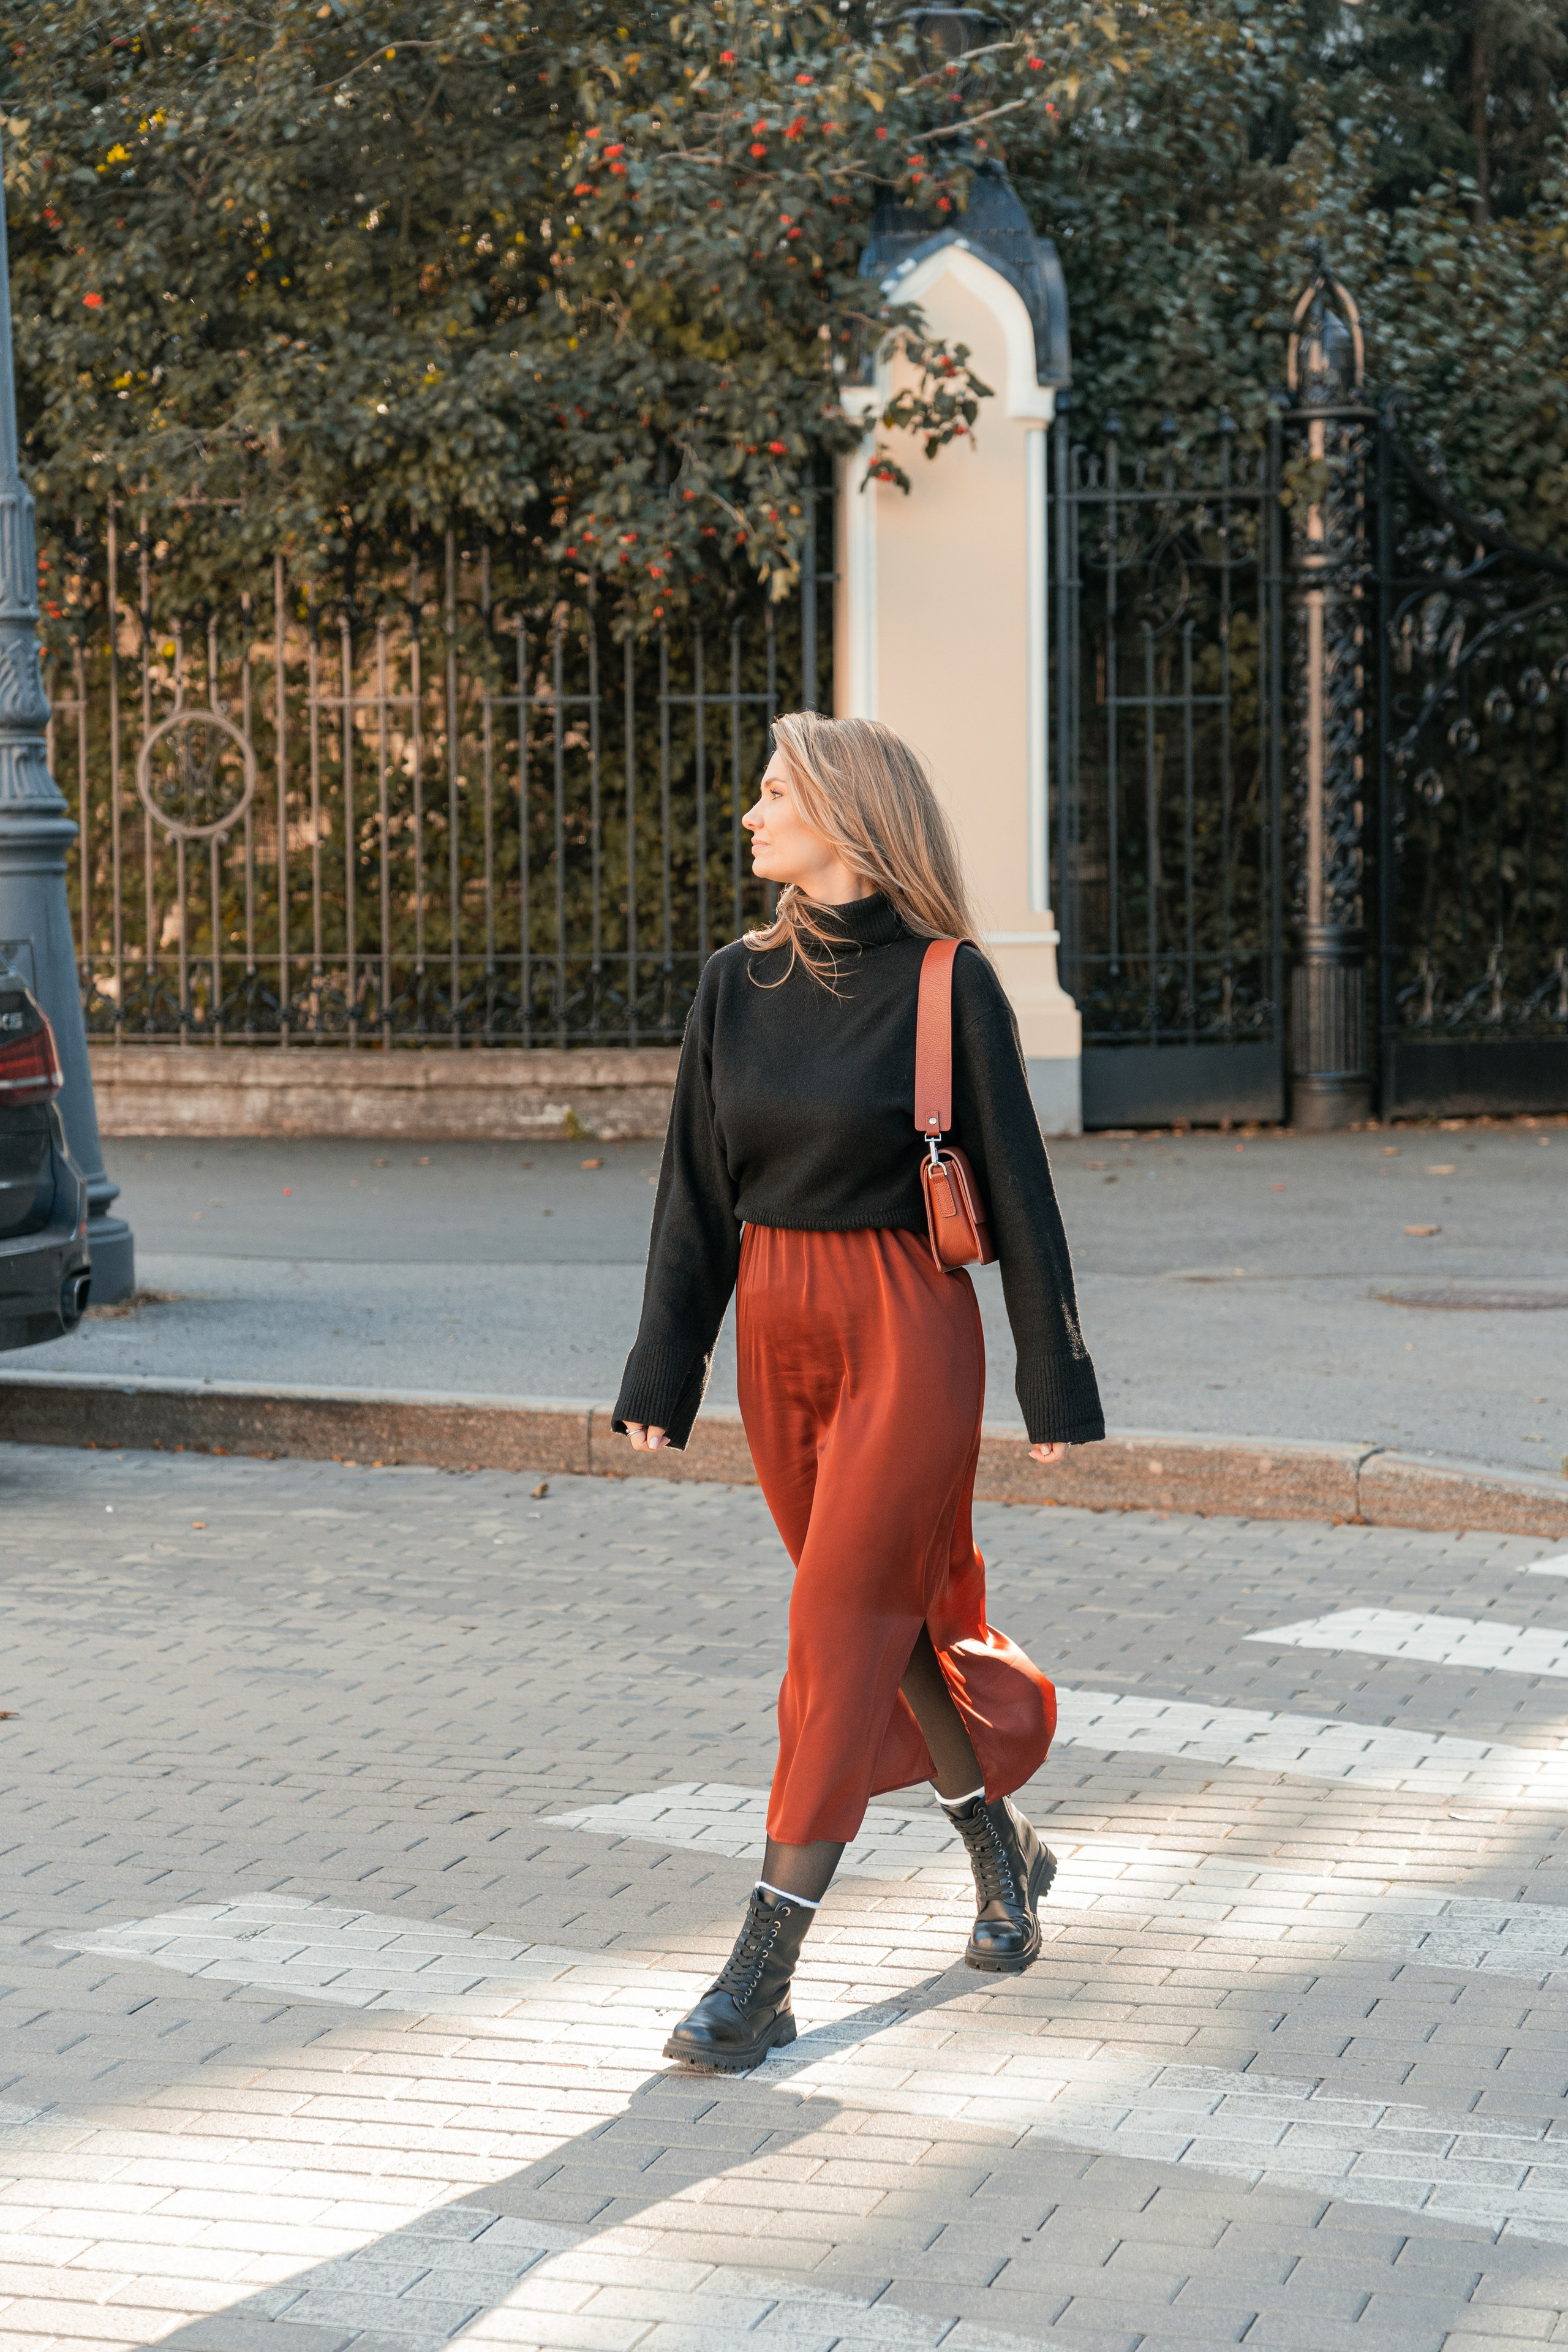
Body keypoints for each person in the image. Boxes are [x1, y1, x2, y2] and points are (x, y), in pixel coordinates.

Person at [614, 712, 1103, 2071]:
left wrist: (1053, 1384)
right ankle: (1000, 1852)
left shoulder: (949, 985)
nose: (751, 815)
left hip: (905, 1333)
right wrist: (666, 1367)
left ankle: (759, 1975)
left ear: (847, 820)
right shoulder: (734, 983)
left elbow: (1020, 1194)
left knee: (833, 1628)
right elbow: (692, 1196)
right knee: (881, 1626)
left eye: (773, 793)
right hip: (775, 1330)